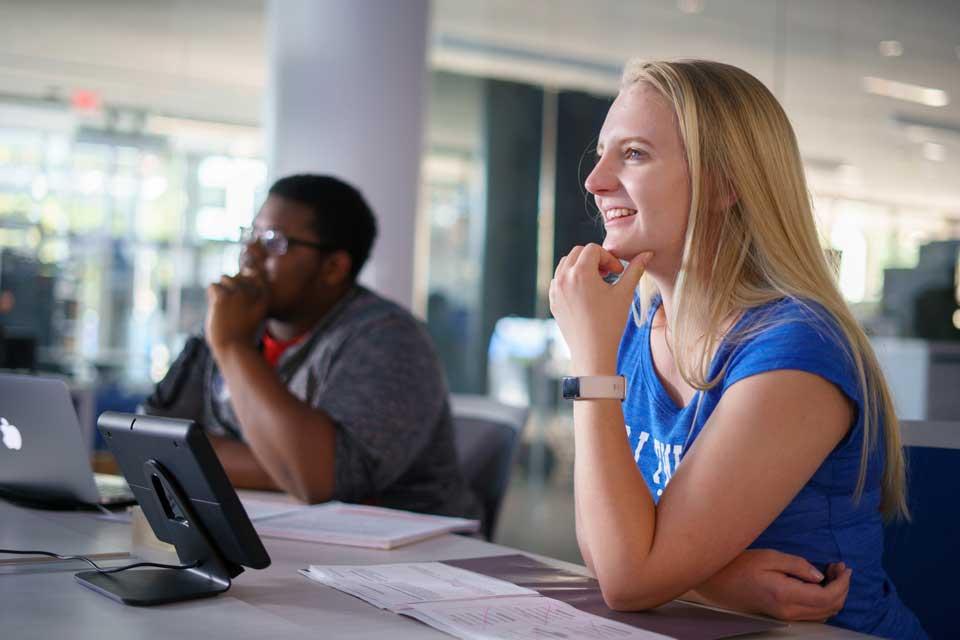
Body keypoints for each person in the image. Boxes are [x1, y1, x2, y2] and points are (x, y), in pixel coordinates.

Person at [549, 59, 925, 638]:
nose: (595, 180)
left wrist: (591, 366)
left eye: (634, 154)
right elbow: (603, 549)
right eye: (602, 152)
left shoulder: (797, 349)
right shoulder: (636, 326)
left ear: (725, 183)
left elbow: (624, 579)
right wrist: (719, 582)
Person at [145, 174, 479, 520]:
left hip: (410, 556)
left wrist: (233, 348)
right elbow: (150, 439)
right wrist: (284, 462)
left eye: (274, 241)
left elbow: (323, 480)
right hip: (276, 531)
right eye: (252, 236)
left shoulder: (389, 339)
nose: (250, 254)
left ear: (333, 268)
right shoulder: (235, 319)